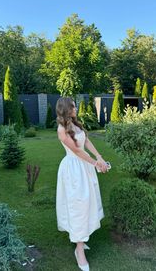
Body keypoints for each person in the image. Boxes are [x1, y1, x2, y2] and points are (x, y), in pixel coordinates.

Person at [56, 97, 109, 271]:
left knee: (87, 203)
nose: (76, 107)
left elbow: (85, 141)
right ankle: (79, 250)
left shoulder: (76, 124)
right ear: (66, 109)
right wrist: (95, 163)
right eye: (73, 106)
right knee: (78, 205)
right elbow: (77, 150)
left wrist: (99, 157)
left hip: (84, 167)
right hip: (73, 170)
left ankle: (82, 239)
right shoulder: (62, 129)